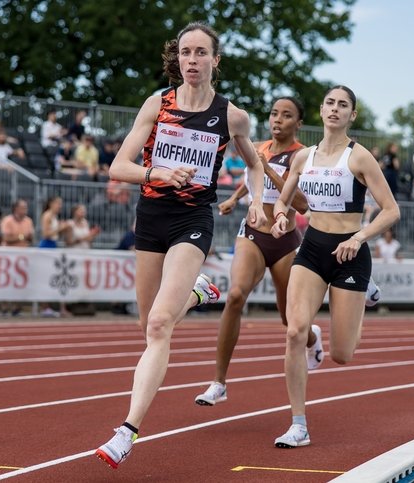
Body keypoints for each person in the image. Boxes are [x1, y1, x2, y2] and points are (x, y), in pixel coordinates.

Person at [94, 22, 266, 469]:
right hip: (151, 217)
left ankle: (126, 432)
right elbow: (118, 167)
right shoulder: (158, 103)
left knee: (158, 327)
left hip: (193, 220)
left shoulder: (232, 116)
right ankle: (198, 292)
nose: (192, 60)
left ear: (215, 60)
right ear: (179, 58)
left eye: (200, 53)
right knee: (147, 323)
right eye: (185, 52)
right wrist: (158, 175)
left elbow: (255, 166)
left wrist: (259, 205)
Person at [269, 85, 400, 448]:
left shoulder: (359, 158)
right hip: (312, 250)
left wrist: (358, 238)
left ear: (351, 115)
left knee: (342, 354)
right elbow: (284, 202)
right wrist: (281, 217)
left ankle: (365, 290)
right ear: (321, 110)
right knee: (294, 332)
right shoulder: (303, 157)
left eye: (343, 105)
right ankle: (298, 424)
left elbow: (391, 211)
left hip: (350, 255)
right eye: (330, 103)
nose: (335, 109)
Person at [195, 96, 314, 406]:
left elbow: (302, 204)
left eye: (287, 116)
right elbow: (252, 176)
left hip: (286, 239)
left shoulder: (303, 156)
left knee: (290, 320)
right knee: (235, 296)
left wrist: (269, 171)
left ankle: (312, 339)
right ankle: (218, 382)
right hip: (252, 232)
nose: (278, 120)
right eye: (274, 114)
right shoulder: (257, 147)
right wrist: (235, 199)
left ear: (297, 124)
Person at [0, 199, 35, 316]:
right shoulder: (7, 220)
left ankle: (16, 308)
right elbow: (7, 239)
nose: (25, 210)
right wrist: (21, 237)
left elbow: (31, 238)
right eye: (23, 208)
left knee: (20, 282)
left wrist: (22, 237)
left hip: (23, 257)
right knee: (6, 281)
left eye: (26, 208)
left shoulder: (28, 221)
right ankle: (4, 308)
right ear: (16, 209)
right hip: (8, 256)